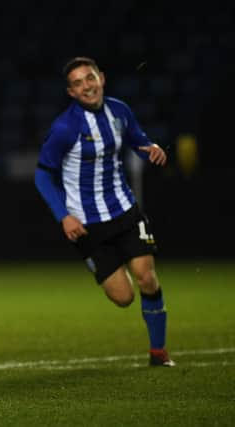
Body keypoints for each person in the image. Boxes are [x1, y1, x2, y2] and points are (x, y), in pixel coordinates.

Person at [34, 56, 174, 367]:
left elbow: (136, 137)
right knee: (123, 297)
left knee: (147, 278)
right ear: (71, 92)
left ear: (102, 78)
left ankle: (159, 353)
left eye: (90, 78)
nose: (87, 86)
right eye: (78, 83)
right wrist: (64, 216)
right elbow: (42, 175)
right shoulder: (65, 128)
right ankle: (112, 267)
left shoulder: (119, 110)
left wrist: (149, 146)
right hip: (87, 225)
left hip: (125, 211)